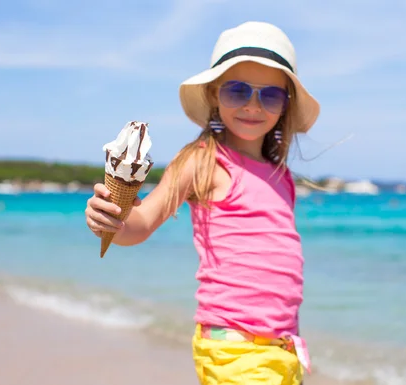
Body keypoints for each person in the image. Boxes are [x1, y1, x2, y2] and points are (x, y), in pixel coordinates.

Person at [85, 21, 320, 385]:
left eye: (270, 95)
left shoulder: (281, 177)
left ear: (286, 104)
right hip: (233, 349)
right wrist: (113, 220)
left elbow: (279, 276)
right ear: (213, 94)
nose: (252, 105)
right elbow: (143, 222)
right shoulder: (203, 159)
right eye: (237, 91)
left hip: (282, 350)